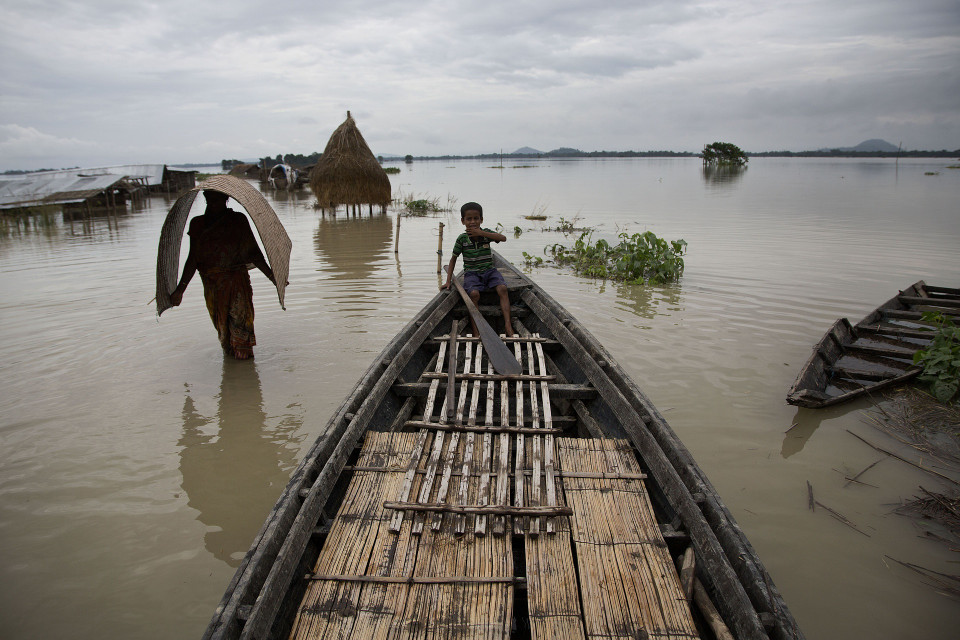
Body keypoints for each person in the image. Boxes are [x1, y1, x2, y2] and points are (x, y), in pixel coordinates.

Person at [169, 190, 277, 360]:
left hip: (237, 281)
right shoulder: (198, 224)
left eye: (217, 200)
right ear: (205, 200)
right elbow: (193, 258)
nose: (212, 203)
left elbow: (254, 253)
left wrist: (273, 277)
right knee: (223, 328)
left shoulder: (238, 220)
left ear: (226, 200)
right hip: (212, 284)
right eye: (209, 200)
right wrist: (180, 289)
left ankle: (244, 370)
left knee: (240, 324)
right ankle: (233, 368)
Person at [441, 201, 514, 337]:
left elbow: (503, 238)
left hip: (490, 271)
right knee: (474, 294)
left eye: (476, 218)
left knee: (503, 289)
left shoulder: (486, 235)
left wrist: (482, 233)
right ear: (463, 221)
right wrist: (448, 281)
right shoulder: (462, 239)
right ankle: (476, 330)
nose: (473, 222)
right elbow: (453, 259)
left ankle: (508, 325)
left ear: (481, 220)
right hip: (472, 274)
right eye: (469, 219)